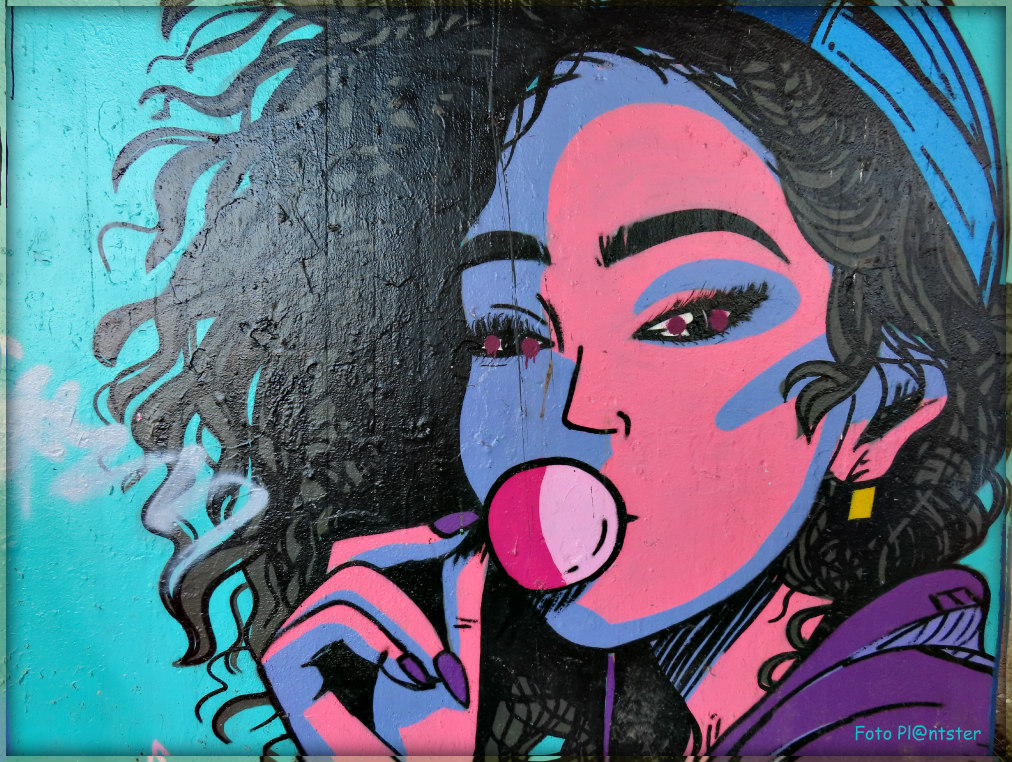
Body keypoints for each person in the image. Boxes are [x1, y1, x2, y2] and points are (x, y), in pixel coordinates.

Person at [98, 4, 1005, 757]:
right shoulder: (669, 717)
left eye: (690, 317)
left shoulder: (906, 731)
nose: (569, 409)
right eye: (509, 332)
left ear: (883, 404)